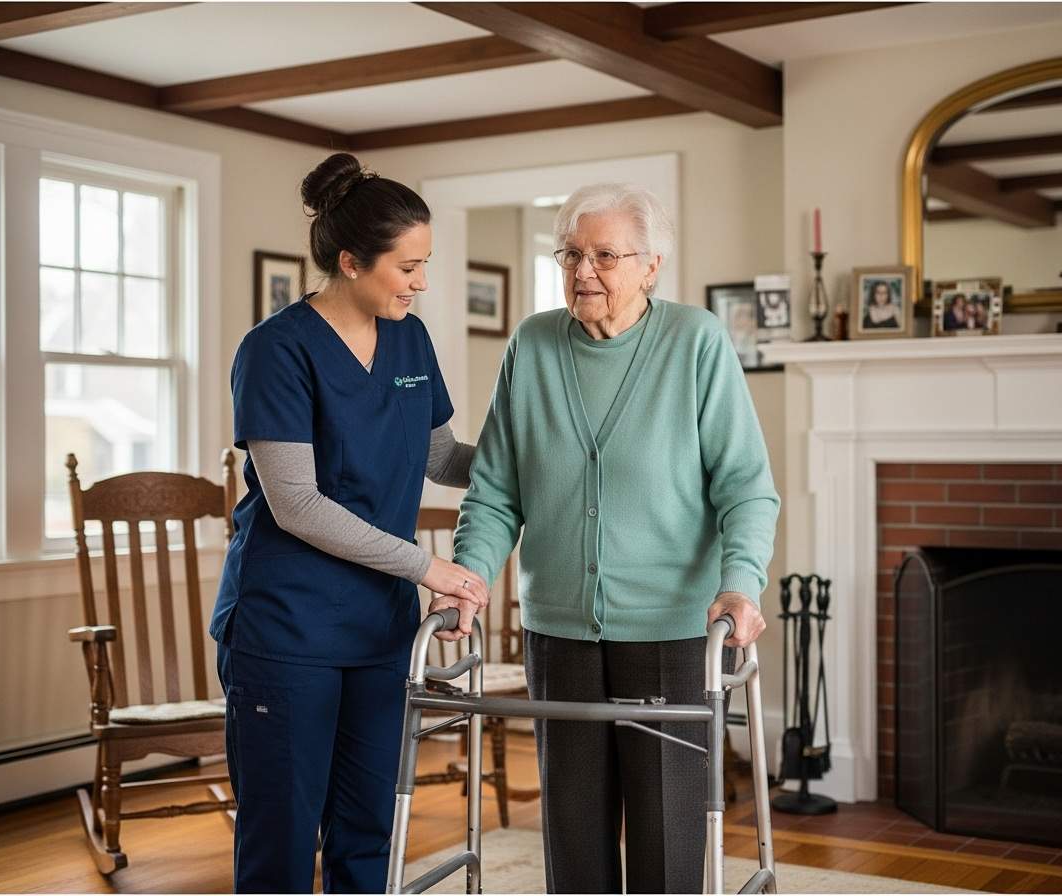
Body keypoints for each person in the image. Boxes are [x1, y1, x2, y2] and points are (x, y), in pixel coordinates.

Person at [447, 183, 779, 894]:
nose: (583, 271)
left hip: (668, 626)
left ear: (651, 266)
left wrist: (740, 584)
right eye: (570, 254)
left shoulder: (695, 342)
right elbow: (497, 488)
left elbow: (746, 486)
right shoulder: (532, 344)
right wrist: (469, 575)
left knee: (666, 831)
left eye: (604, 255)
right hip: (559, 627)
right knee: (572, 830)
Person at [209, 152, 488, 894]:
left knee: (369, 829)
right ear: (350, 261)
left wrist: (534, 448)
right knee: (283, 837)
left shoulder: (409, 339)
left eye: (425, 264)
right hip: (287, 627)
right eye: (408, 267)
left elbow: (442, 457)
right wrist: (430, 566)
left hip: (379, 629)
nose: (421, 282)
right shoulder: (276, 349)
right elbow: (295, 503)